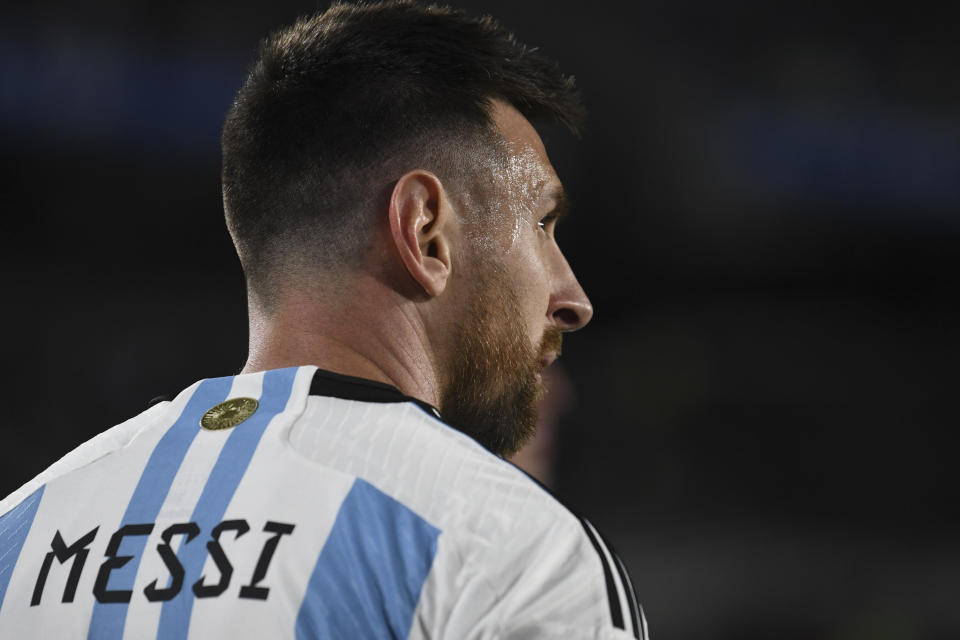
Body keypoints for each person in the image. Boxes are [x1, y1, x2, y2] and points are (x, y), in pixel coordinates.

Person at [0, 2, 647, 637]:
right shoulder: (519, 557)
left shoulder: (19, 531)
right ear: (425, 233)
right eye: (541, 223)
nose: (574, 297)